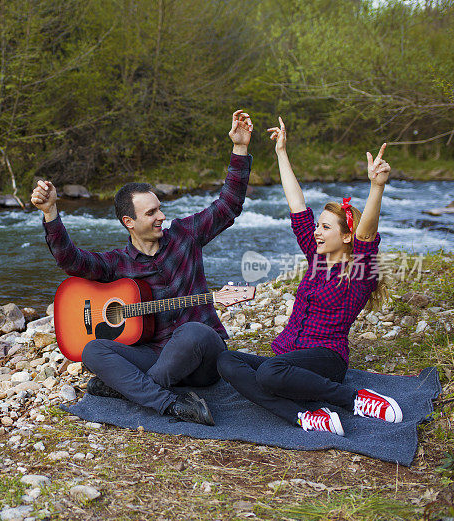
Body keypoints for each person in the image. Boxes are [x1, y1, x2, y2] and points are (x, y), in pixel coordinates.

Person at [31, 110, 254, 425]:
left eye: (160, 208)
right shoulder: (117, 264)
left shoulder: (186, 234)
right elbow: (72, 260)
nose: (161, 216)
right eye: (151, 213)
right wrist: (51, 212)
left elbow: (229, 204)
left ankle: (131, 390)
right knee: (94, 351)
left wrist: (240, 148)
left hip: (202, 357)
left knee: (192, 332)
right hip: (154, 356)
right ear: (129, 222)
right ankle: (171, 405)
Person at [216, 117, 402, 436]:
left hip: (326, 359)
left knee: (270, 372)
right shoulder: (316, 257)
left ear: (347, 237)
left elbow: (368, 231)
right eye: (318, 226)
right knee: (226, 362)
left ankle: (355, 400)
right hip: (289, 358)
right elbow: (297, 204)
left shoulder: (358, 270)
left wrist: (377, 187)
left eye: (325, 228)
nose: (316, 231)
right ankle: (305, 417)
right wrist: (281, 151)